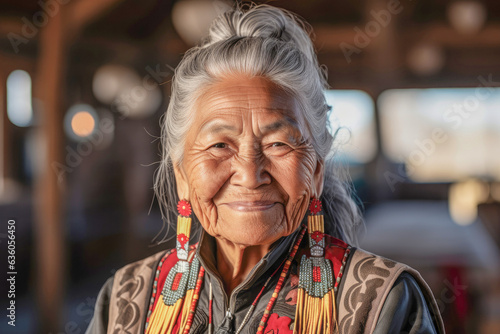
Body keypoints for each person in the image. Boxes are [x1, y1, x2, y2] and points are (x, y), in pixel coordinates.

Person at [86, 3, 445, 334]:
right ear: (182, 175)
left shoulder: (381, 300)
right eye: (219, 145)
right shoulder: (127, 297)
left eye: (278, 144)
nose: (249, 173)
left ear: (316, 172)